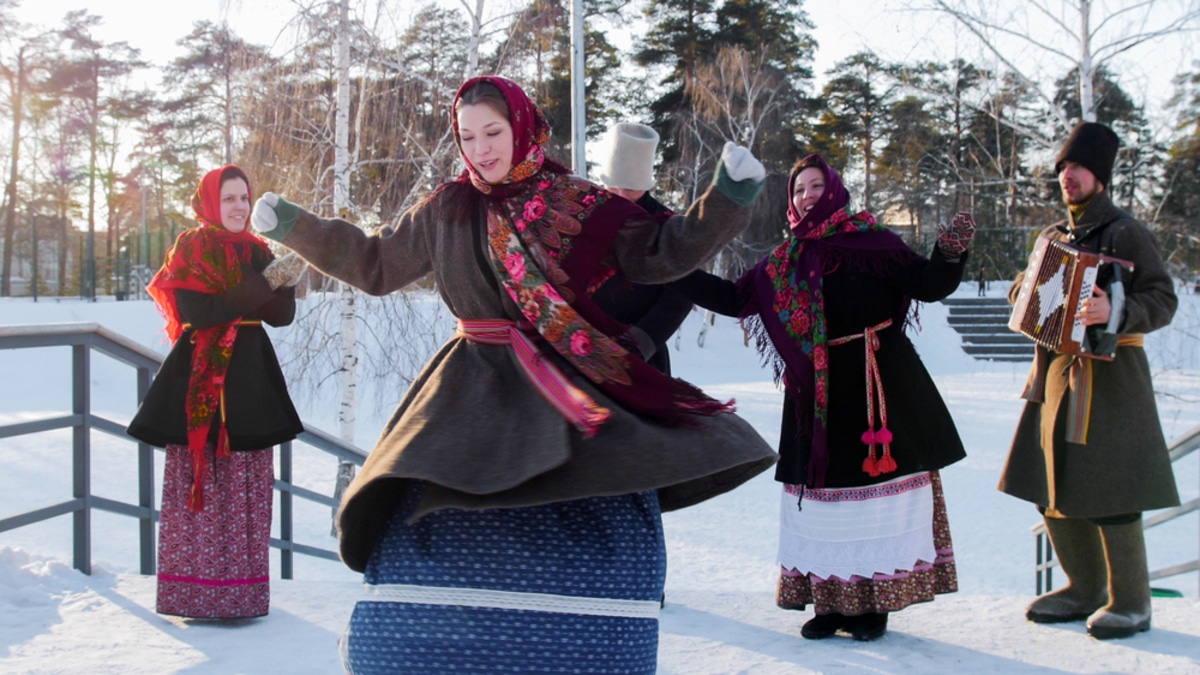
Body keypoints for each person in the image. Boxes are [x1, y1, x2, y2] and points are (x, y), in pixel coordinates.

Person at [249, 76, 778, 673]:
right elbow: (375, 265)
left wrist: (728, 195)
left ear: (522, 128)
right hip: (468, 386)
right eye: (467, 135)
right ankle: (426, 641)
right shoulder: (443, 210)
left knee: (586, 495)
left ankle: (583, 643)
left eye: (493, 132)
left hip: (567, 376)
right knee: (432, 496)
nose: (481, 148)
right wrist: (296, 227)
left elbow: (662, 254)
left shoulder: (576, 201)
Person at [672, 154, 973, 642]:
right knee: (828, 502)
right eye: (798, 189)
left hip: (880, 388)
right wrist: (674, 266)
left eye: (816, 185)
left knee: (876, 502)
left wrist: (950, 253)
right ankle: (832, 604)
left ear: (834, 190)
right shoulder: (782, 263)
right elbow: (732, 299)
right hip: (818, 398)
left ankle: (875, 606)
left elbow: (930, 285)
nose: (807, 195)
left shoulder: (875, 244)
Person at [998, 122, 1179, 640]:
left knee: (1114, 487)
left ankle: (1132, 602)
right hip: (1055, 376)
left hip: (1113, 380)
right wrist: (1027, 292)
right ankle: (1084, 589)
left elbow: (1163, 299)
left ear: (1099, 175)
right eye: (1062, 169)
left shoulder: (1125, 232)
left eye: (1076, 167)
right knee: (1050, 484)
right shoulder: (1053, 236)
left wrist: (1111, 307)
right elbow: (1021, 288)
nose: (1067, 176)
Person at [127, 165, 306, 620]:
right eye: (229, 199)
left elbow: (280, 316)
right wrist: (264, 283)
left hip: (249, 386)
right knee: (199, 486)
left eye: (244, 199)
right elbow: (200, 313)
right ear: (210, 202)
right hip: (199, 386)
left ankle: (241, 599)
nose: (239, 208)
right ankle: (193, 596)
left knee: (247, 486)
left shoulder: (256, 250)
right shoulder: (192, 248)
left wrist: (287, 280)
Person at [591, 122, 693, 375]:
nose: (623, 196)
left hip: (643, 358)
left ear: (646, 183)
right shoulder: (585, 213)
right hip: (583, 348)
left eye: (632, 187)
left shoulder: (668, 225)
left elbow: (681, 297)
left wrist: (638, 343)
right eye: (614, 186)